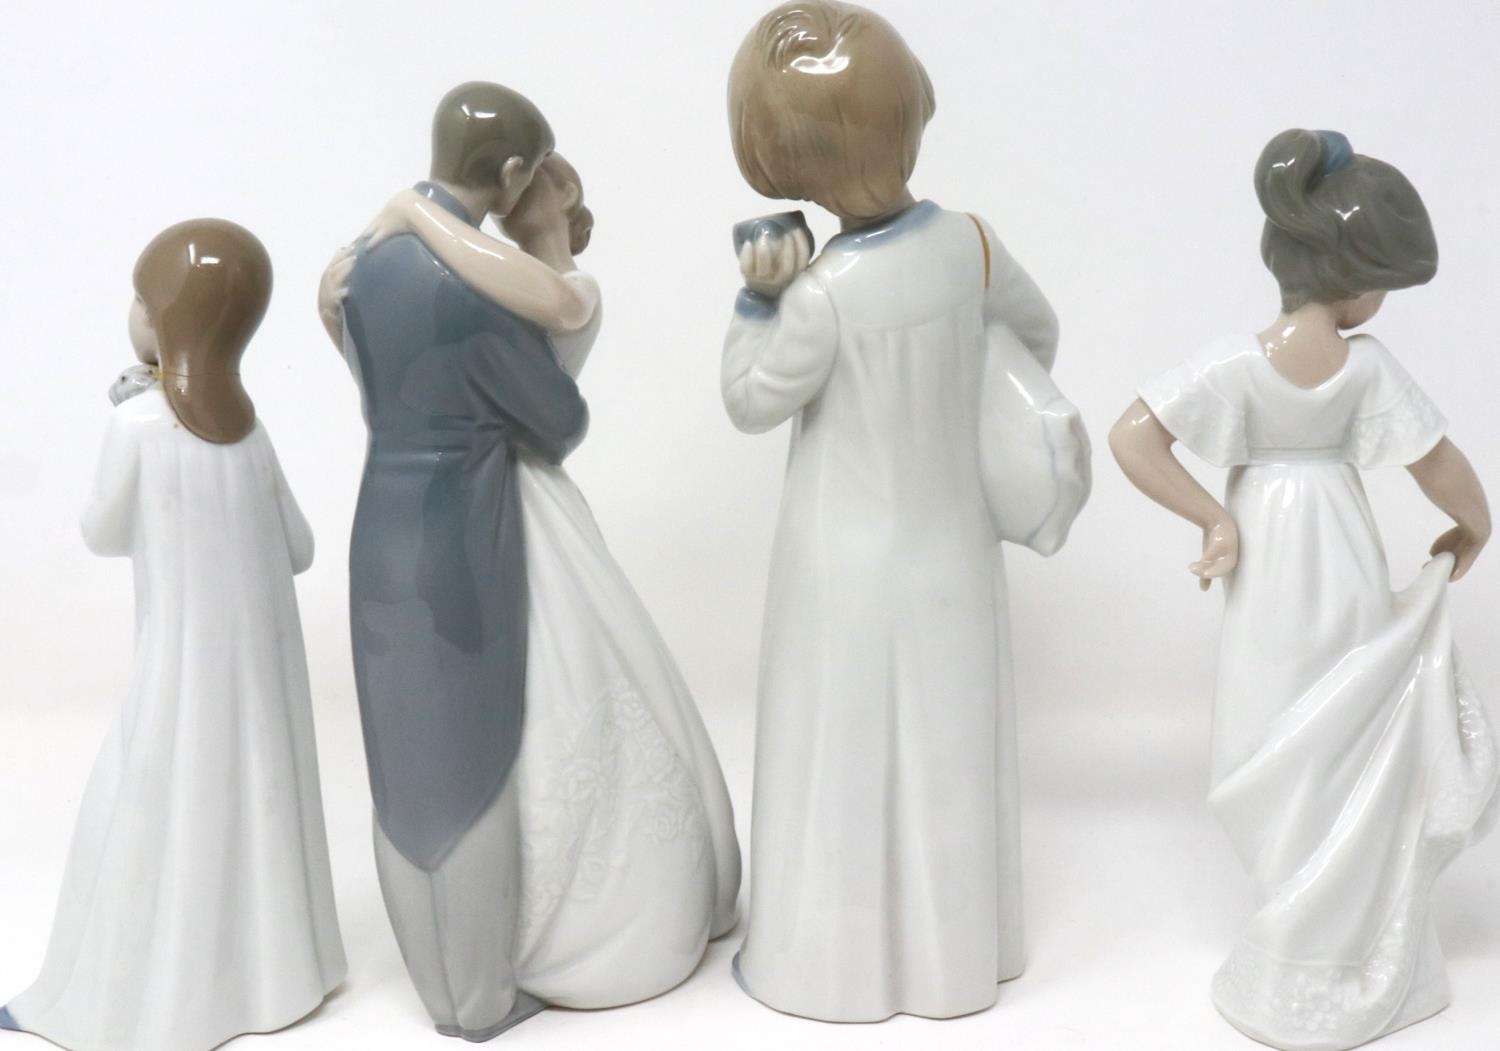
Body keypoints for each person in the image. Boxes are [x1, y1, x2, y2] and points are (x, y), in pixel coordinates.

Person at [319, 85, 738, 1040]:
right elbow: (557, 417)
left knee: (408, 751)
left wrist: (400, 213)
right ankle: (480, 992)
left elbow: (356, 343)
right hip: (479, 517)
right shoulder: (477, 289)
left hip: (384, 517)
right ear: (512, 174)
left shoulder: (362, 269)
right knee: (480, 742)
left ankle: (448, 980)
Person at [719, 0, 1089, 1023]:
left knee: (844, 751)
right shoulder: (973, 246)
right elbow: (1038, 333)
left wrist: (757, 300)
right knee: (948, 745)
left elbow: (749, 399)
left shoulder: (821, 295)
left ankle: (834, 967)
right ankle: (958, 956)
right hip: (953, 544)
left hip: (842, 564)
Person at [1110, 129, 1497, 1051]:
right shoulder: (1366, 367)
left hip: (1271, 552)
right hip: (1336, 542)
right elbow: (1438, 462)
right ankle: (1336, 924)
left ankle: (1299, 925)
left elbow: (1131, 437)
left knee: (1276, 722)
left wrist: (1217, 517)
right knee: (1342, 727)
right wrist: (1477, 524)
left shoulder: (1235, 363)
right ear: (1354, 279)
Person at [1, 219, 346, 1051]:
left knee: (154, 800)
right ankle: (277, 979)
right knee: (256, 800)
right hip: (261, 671)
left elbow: (100, 532)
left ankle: (157, 998)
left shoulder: (137, 426)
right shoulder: (252, 429)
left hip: (183, 662)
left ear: (166, 317)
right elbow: (301, 547)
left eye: (139, 296)